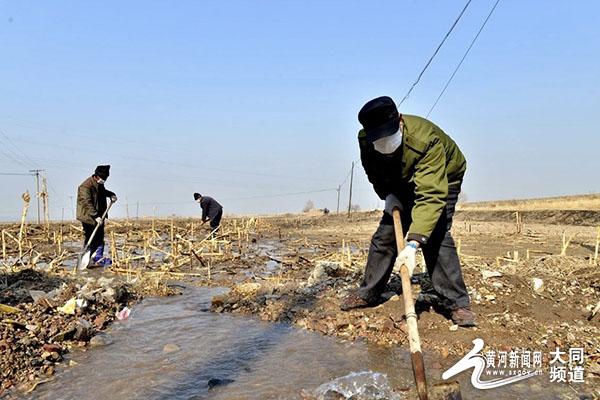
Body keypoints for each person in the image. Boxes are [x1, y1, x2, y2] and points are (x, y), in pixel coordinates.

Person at [340, 96, 476, 327]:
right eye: (378, 139)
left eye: (388, 136)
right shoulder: (366, 141)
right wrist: (388, 195)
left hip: (445, 176)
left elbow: (431, 196)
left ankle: (456, 302)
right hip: (401, 180)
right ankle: (369, 292)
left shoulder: (425, 140)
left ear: (399, 121)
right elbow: (374, 172)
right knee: (385, 235)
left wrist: (413, 243)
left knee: (436, 234)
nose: (384, 144)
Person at [76, 165, 117, 267]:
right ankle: (87, 257)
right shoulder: (85, 186)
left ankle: (97, 258)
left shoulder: (99, 184)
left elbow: (103, 192)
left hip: (99, 215)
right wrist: (95, 216)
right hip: (88, 217)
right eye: (102, 178)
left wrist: (111, 194)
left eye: (105, 179)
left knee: (100, 237)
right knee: (91, 237)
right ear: (96, 176)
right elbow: (86, 202)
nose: (103, 180)